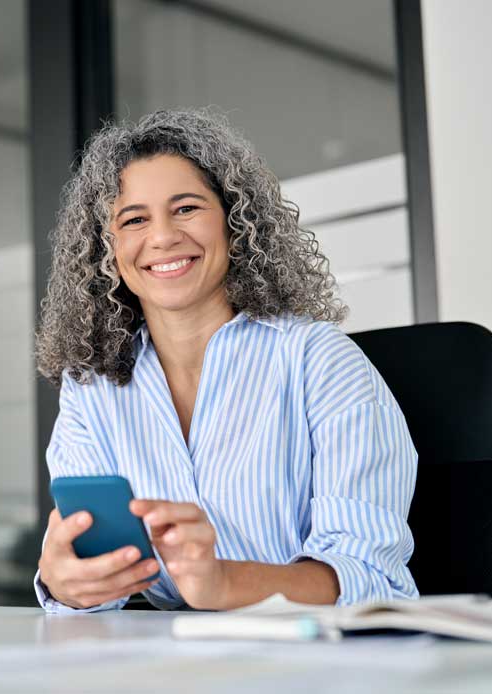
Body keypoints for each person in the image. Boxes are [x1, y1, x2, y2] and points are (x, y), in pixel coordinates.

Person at [33, 108, 418, 612]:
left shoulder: (317, 360)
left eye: (187, 208)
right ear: (106, 249)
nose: (163, 236)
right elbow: (95, 589)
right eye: (134, 219)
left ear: (236, 221)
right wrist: (69, 585)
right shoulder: (92, 388)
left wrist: (223, 583)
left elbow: (372, 578)